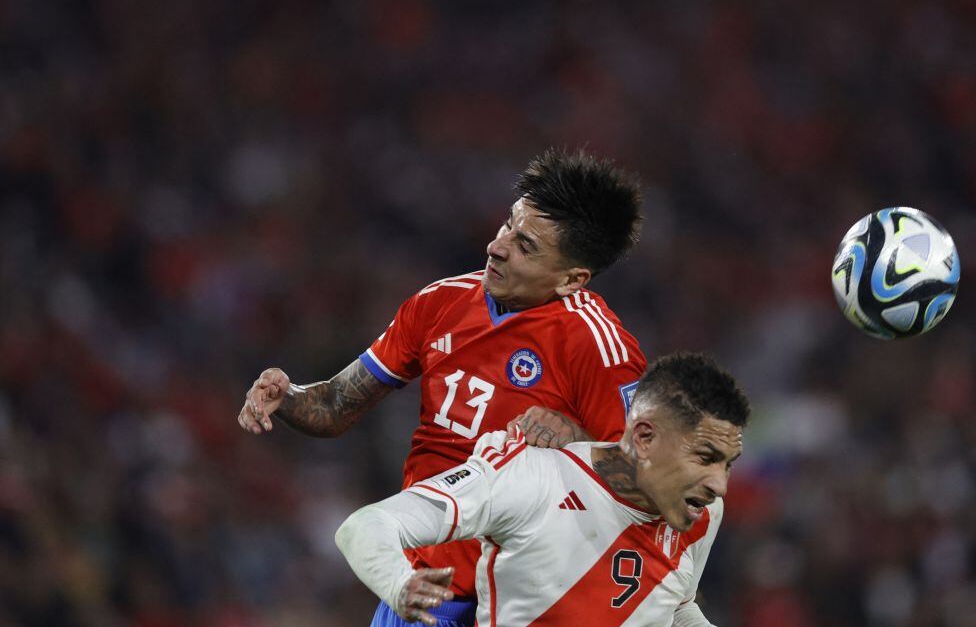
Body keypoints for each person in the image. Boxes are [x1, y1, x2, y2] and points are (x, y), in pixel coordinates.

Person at [237, 148, 648, 627]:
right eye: (507, 225)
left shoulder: (600, 348)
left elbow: (646, 484)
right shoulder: (439, 305)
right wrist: (287, 397)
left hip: (518, 605)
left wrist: (575, 440)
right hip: (419, 591)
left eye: (527, 246)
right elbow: (334, 406)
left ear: (571, 279)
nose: (498, 247)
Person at [336, 352, 750, 627]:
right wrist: (398, 582)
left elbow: (675, 607)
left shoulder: (699, 512)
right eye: (705, 457)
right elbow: (366, 526)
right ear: (643, 437)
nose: (719, 484)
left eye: (727, 465)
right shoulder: (534, 476)